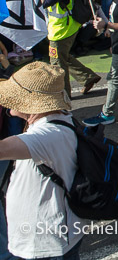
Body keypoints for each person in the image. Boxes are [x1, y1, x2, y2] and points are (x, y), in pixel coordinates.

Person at [0, 63, 84, 259]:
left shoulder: (47, 135)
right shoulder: (60, 120)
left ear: (30, 102)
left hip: (46, 242)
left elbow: (3, 149)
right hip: (60, 232)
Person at [37, 0, 100, 96]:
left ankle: (64, 94)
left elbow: (43, 3)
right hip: (68, 28)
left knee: (58, 64)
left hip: (60, 32)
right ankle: (87, 77)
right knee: (63, 57)